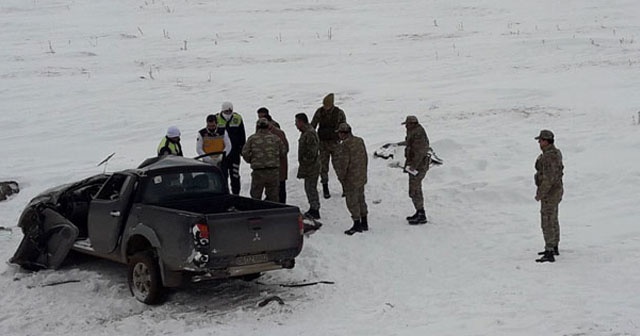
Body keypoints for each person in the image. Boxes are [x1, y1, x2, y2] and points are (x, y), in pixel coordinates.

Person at [534, 129, 564, 263]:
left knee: (547, 221)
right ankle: (554, 246)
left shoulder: (549, 156)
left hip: (550, 193)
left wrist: (540, 193)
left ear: (546, 141)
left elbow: (548, 179)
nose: (539, 143)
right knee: (553, 219)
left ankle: (550, 250)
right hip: (555, 191)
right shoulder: (554, 153)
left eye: (540, 140)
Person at [334, 123, 368, 235]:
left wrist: (341, 177)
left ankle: (357, 224)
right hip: (361, 176)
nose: (338, 135)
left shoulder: (345, 145)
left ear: (343, 134)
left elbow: (344, 163)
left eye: (339, 133)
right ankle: (364, 222)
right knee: (361, 199)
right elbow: (365, 157)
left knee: (352, 201)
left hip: (351, 178)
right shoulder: (359, 141)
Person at [311, 93, 346, 199]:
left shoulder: (339, 113)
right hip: (322, 144)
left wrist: (341, 139)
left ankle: (345, 187)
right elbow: (313, 125)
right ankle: (325, 187)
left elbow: (344, 127)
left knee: (339, 167)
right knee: (323, 167)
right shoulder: (319, 112)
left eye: (327, 105)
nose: (325, 107)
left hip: (335, 143)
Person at [241, 118, 285, 202]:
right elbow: (283, 152)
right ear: (268, 126)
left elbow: (245, 153)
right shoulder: (275, 138)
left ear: (257, 127)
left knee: (256, 198)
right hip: (273, 172)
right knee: (273, 198)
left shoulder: (252, 139)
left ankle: (257, 213)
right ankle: (273, 214)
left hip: (258, 172)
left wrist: (251, 160)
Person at [398, 116, 430, 225]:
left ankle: (421, 214)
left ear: (412, 124)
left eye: (407, 124)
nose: (406, 126)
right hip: (416, 166)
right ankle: (419, 211)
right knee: (415, 189)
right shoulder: (415, 132)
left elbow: (420, 152)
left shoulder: (418, 134)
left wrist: (413, 166)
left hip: (418, 167)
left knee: (415, 190)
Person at [256, 107, 289, 203]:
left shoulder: (276, 130)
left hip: (278, 164)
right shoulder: (259, 126)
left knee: (280, 185)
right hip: (268, 164)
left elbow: (284, 148)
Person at [216, 102, 246, 195]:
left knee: (235, 175)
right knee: (222, 176)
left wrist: (242, 149)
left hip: (235, 153)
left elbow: (242, 135)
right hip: (222, 154)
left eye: (230, 111)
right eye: (226, 111)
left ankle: (236, 194)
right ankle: (225, 194)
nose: (228, 113)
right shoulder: (216, 118)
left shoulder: (238, 118)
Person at [295, 113, 321, 219]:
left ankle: (315, 209)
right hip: (309, 166)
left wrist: (305, 162)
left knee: (311, 188)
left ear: (301, 122)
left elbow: (312, 152)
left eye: (297, 122)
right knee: (309, 187)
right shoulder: (306, 132)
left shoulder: (309, 133)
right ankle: (313, 208)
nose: (296, 124)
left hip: (311, 167)